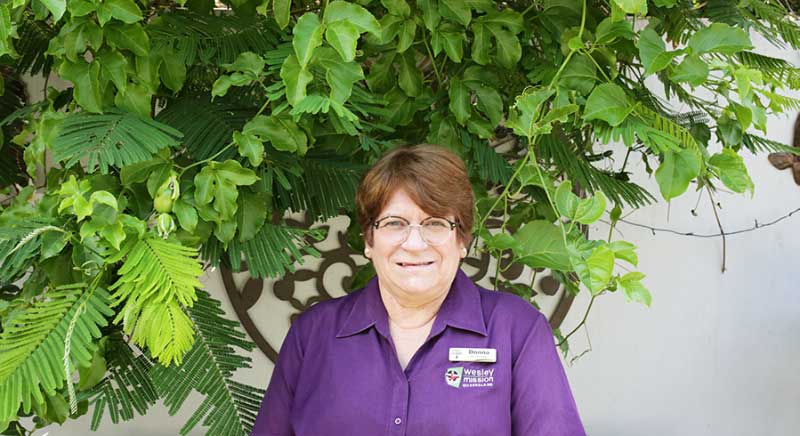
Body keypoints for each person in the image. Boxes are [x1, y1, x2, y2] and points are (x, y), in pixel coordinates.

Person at [251, 144, 586, 435]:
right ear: (369, 239)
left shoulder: (516, 330)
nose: (414, 243)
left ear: (462, 240)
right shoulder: (313, 335)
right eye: (395, 223)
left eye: (435, 223)